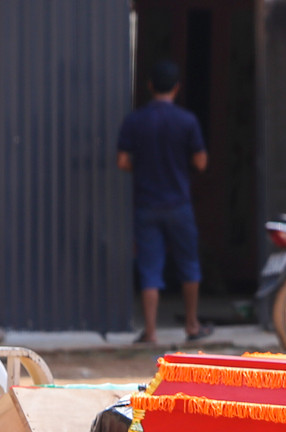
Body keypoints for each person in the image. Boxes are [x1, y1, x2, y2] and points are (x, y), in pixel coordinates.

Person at [116, 59, 208, 345]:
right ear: (177, 88)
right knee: (189, 265)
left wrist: (142, 169)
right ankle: (192, 325)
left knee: (150, 269)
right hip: (179, 203)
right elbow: (201, 162)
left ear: (150, 86)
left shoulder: (135, 120)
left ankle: (151, 333)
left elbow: (122, 161)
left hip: (147, 204)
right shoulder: (186, 121)